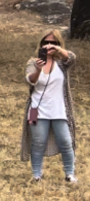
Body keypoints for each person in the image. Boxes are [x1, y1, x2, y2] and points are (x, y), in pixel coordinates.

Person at [22, 29, 78, 182]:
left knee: (66, 142)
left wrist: (59, 50)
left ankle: (70, 174)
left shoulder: (62, 64)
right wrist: (39, 70)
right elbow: (30, 80)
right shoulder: (33, 62)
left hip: (59, 109)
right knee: (38, 142)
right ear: (41, 44)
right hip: (37, 110)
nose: (48, 45)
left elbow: (72, 58)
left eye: (53, 42)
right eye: (46, 42)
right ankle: (37, 175)